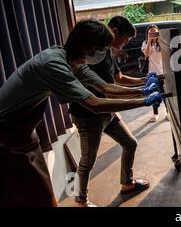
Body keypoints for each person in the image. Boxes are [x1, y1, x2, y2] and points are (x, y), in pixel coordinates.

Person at [0, 20, 161, 207]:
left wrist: (143, 90)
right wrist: (144, 102)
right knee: (30, 194)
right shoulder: (53, 63)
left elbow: (106, 88)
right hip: (6, 134)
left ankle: (123, 183)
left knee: (40, 192)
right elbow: (94, 103)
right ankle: (81, 201)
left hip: (24, 130)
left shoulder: (74, 61)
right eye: (102, 47)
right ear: (88, 46)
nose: (104, 52)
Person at [69, 16, 156, 207]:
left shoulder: (106, 53)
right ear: (114, 31)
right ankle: (80, 202)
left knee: (130, 143)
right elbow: (105, 90)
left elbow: (118, 79)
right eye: (125, 39)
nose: (124, 44)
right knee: (87, 162)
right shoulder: (86, 56)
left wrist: (144, 82)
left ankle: (126, 183)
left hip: (107, 111)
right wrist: (142, 95)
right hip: (88, 115)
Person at [141, 25, 164, 122]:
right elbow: (146, 54)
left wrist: (159, 39)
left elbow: (167, 53)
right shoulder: (145, 43)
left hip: (163, 72)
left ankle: (169, 112)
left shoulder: (162, 42)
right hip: (152, 74)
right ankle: (155, 113)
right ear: (147, 34)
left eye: (155, 32)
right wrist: (150, 41)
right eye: (151, 32)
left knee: (166, 94)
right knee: (154, 94)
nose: (153, 34)